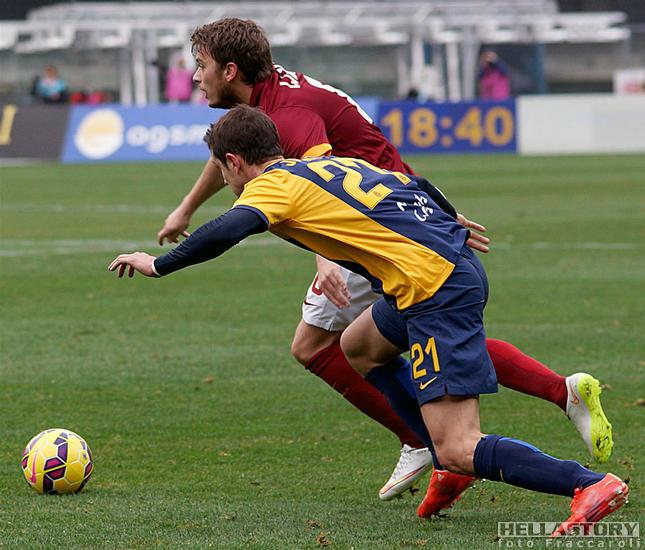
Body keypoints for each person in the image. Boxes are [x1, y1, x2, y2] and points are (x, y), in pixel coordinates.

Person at [155, 18, 612, 510]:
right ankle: (506, 414)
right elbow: (236, 154)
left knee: (326, 350)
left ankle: (494, 458)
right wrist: (186, 208)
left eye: (200, 65)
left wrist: (323, 260)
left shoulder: (288, 117)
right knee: (359, 345)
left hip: (388, 243)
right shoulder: (262, 103)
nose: (194, 75)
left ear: (229, 70)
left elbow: (307, 188)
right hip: (406, 221)